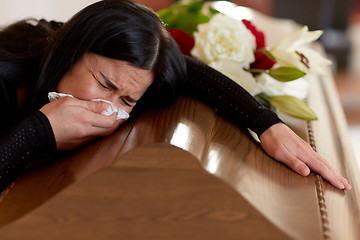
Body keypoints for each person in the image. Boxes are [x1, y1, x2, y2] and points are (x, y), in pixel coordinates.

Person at [0, 0, 351, 193]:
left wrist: (266, 124)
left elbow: (189, 73)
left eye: (127, 101)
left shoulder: (132, 80)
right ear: (69, 52)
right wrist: (39, 131)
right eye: (104, 84)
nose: (106, 107)